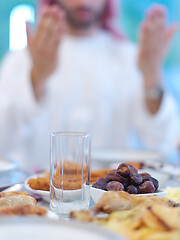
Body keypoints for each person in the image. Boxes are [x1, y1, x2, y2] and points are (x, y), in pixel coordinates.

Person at [0, 0, 179, 169]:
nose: (83, 1)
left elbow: (164, 142)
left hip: (116, 197)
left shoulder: (130, 58)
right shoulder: (23, 59)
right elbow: (3, 141)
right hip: (36, 197)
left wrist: (152, 77)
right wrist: (36, 77)